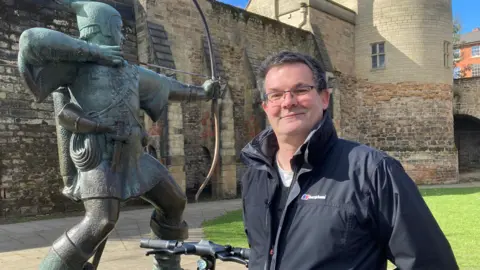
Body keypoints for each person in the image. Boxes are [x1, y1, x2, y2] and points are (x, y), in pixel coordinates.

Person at [17, 1, 219, 269]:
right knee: (101, 221)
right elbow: (30, 41)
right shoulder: (77, 65)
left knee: (174, 202)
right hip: (100, 155)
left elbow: (169, 87)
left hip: (136, 156)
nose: (123, 35)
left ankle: (168, 265)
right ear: (101, 29)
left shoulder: (130, 71)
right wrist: (93, 52)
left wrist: (203, 92)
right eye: (118, 28)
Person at [239, 50, 458, 270]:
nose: (288, 102)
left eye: (301, 90)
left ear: (325, 98)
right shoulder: (255, 175)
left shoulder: (372, 171)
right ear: (265, 106)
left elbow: (432, 264)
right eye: (276, 95)